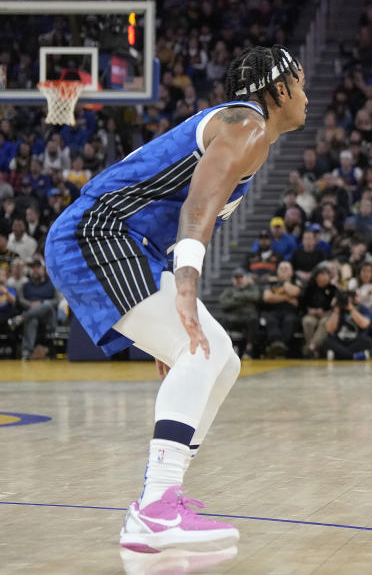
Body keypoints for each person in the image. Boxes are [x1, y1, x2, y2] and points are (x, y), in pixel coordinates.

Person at [45, 45, 307, 550]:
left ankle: (163, 497)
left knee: (221, 359)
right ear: (279, 90)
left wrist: (168, 316)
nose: (307, 95)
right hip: (97, 235)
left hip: (129, 245)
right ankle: (156, 506)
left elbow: (170, 215)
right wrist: (184, 288)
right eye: (300, 82)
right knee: (200, 350)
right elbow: (197, 207)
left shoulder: (247, 131)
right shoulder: (246, 125)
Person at [217, 268, 261, 359]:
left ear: (246, 278)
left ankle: (249, 349)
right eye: (236, 277)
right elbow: (224, 304)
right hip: (232, 317)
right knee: (221, 321)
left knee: (254, 320)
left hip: (248, 317)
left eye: (241, 277)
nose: (239, 279)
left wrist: (235, 298)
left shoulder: (253, 288)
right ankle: (224, 349)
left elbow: (256, 297)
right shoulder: (229, 290)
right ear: (233, 279)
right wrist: (245, 301)